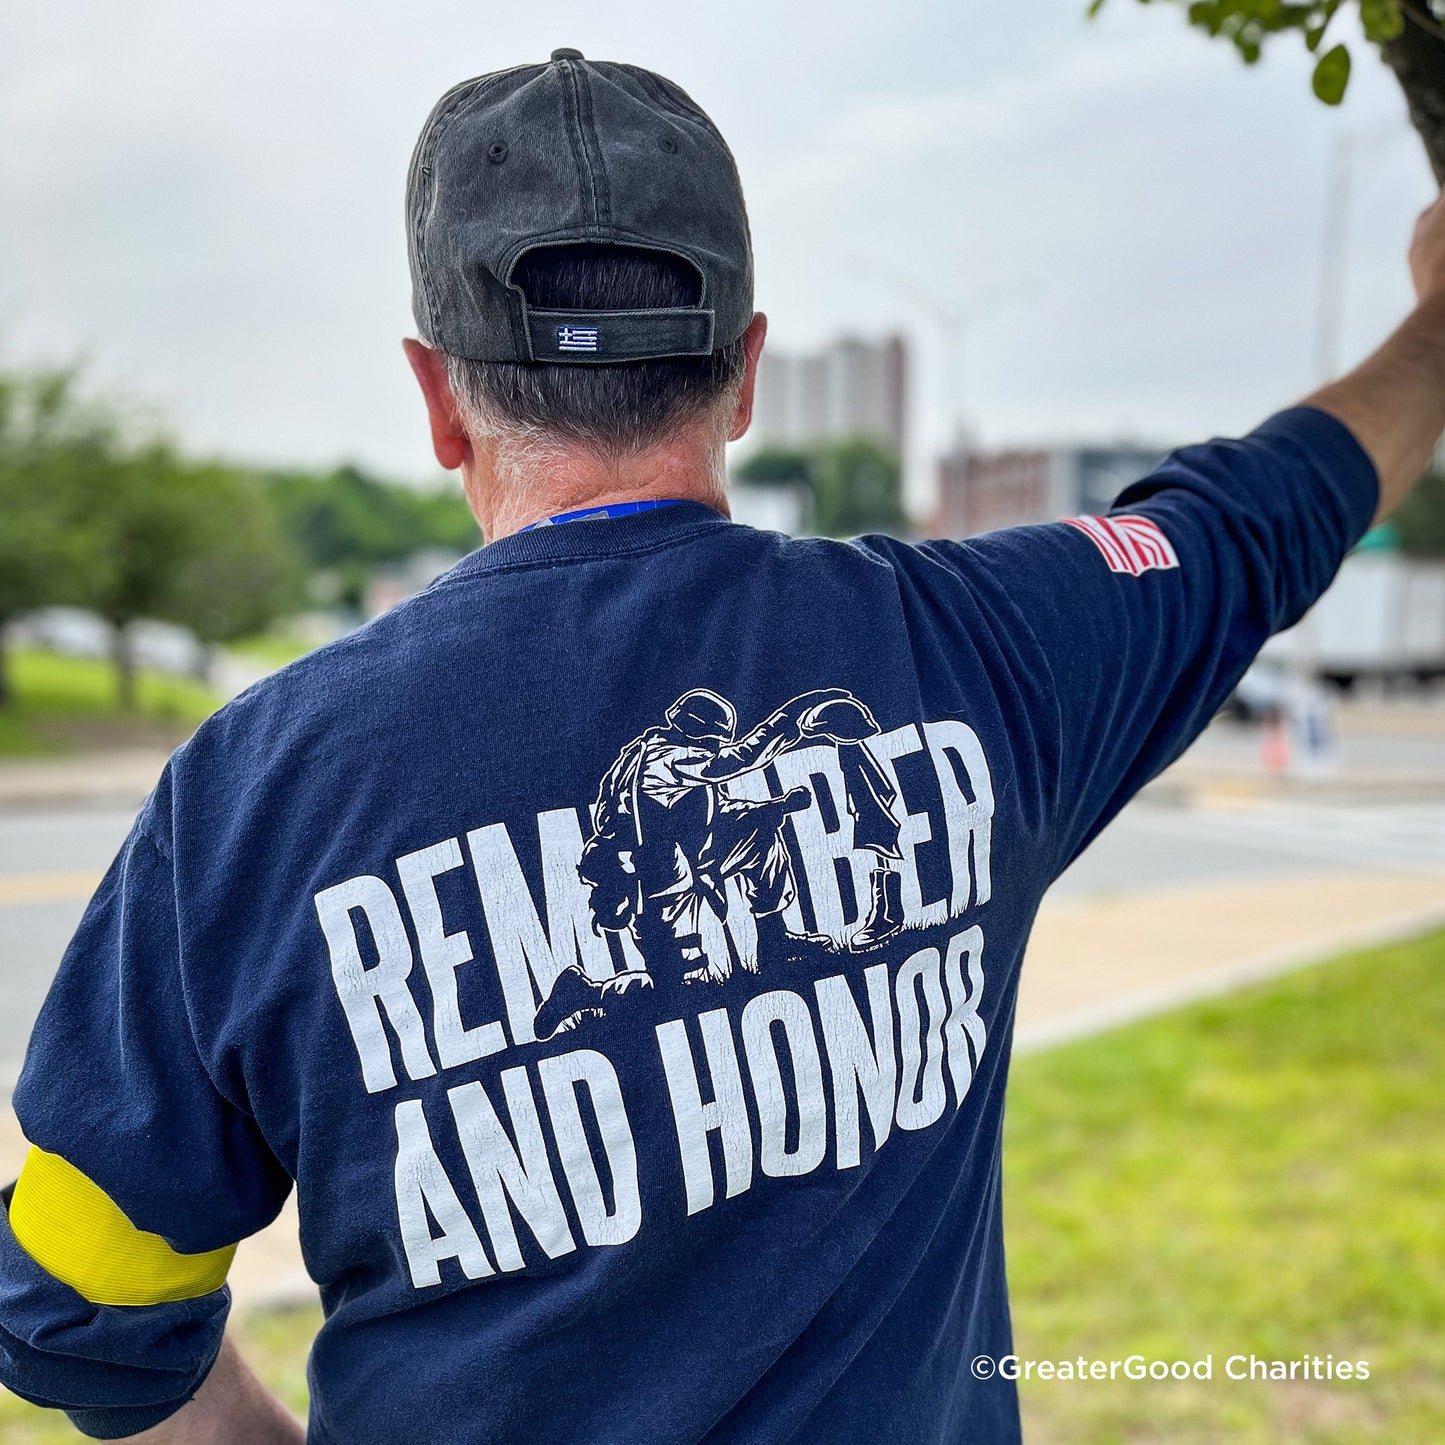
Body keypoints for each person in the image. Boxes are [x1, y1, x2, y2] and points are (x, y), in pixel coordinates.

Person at [1, 46, 1443, 1445]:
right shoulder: (972, 653)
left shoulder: (258, 793)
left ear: (438, 396)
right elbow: (1250, 521)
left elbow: (77, 1303)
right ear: (744, 372)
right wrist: (1434, 327)